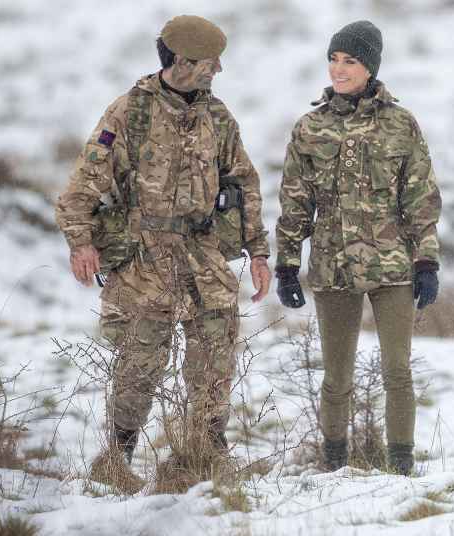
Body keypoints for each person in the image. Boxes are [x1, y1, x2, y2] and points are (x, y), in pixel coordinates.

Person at [55, 15, 271, 484]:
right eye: (209, 64)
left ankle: (207, 453)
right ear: (179, 60)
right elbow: (83, 186)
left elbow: (244, 184)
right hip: (142, 257)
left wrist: (258, 252)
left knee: (215, 357)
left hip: (203, 255)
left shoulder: (218, 117)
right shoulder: (128, 112)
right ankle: (117, 457)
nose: (216, 72)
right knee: (139, 362)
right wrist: (81, 241)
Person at [275, 20, 441, 476]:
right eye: (333, 59)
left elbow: (421, 198)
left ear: (369, 67)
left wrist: (427, 260)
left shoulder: (400, 124)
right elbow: (294, 201)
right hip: (333, 268)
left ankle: (401, 467)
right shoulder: (309, 128)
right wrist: (287, 264)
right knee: (336, 378)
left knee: (397, 372)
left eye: (349, 61)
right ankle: (334, 464)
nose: (338, 69)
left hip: (393, 266)